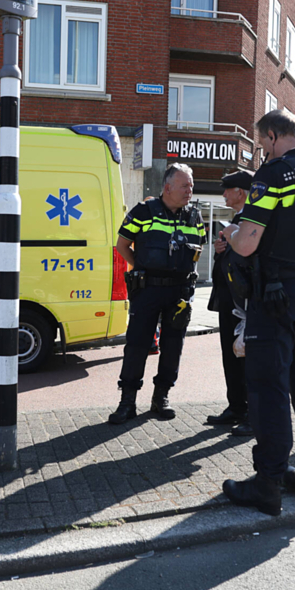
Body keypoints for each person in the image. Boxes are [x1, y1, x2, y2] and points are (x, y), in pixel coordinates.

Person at [219, 109, 295, 516]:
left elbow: (248, 243)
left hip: (274, 296)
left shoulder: (272, 175)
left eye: (261, 144)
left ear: (272, 137)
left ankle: (268, 482)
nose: (261, 152)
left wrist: (230, 232)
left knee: (268, 387)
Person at [109, 164, 205, 425]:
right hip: (148, 290)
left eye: (191, 185)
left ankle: (160, 398)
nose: (190, 190)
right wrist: (140, 268)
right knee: (138, 346)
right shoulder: (143, 211)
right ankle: (127, 402)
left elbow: (198, 250)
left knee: (173, 346)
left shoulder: (195, 216)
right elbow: (121, 245)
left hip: (179, 292)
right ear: (168, 187)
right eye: (185, 185)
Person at [205, 170, 254, 436]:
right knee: (230, 354)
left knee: (245, 356)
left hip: (244, 303)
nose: (223, 194)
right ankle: (236, 406)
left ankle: (251, 413)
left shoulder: (253, 217)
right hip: (230, 300)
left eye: (227, 189)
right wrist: (221, 251)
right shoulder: (237, 218)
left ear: (241, 192)